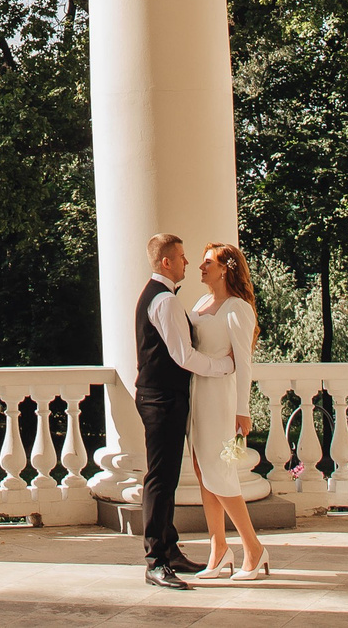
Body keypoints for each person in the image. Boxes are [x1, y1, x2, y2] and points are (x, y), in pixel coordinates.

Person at [133, 232, 234, 590]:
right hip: (161, 400)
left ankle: (170, 550)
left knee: (168, 478)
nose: (188, 263)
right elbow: (184, 357)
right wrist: (224, 366)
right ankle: (156, 561)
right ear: (166, 262)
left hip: (161, 397)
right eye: (182, 257)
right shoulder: (165, 302)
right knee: (160, 479)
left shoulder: (160, 297)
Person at [188, 242, 268, 579]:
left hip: (222, 402)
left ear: (225, 269)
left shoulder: (238, 308)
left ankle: (253, 548)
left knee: (221, 471)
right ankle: (219, 549)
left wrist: (243, 411)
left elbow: (244, 365)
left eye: (208, 262)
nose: (201, 267)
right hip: (197, 397)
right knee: (203, 472)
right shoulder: (202, 302)